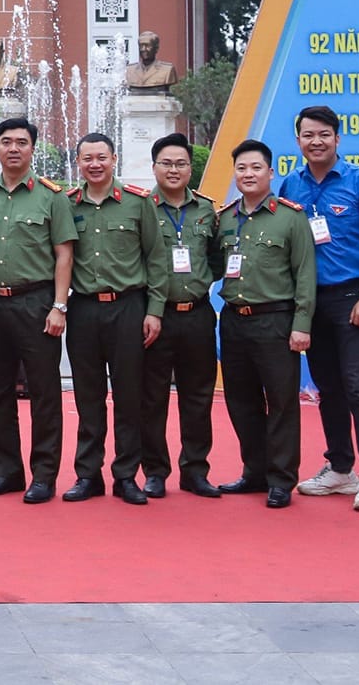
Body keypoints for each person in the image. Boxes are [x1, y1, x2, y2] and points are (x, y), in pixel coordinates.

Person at [277, 105, 359, 512]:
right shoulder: (291, 185)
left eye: (324, 134)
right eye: (308, 135)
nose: (316, 142)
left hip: (351, 298)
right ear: (298, 140)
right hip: (310, 301)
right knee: (327, 388)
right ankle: (341, 467)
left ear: (337, 138)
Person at [0, 117, 75, 504]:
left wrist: (59, 306)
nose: (13, 148)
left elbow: (64, 255)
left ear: (32, 149)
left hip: (37, 302)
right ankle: (7, 471)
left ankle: (43, 474)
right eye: (6, 142)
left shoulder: (51, 196)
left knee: (44, 392)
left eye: (22, 142)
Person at [62, 132, 167, 505]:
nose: (95, 165)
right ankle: (88, 474)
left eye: (101, 158)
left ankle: (126, 476)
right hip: (84, 308)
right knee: (88, 396)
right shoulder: (67, 203)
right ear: (78, 162)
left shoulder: (138, 203)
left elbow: (156, 258)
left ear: (113, 159)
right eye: (87, 158)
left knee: (129, 396)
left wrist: (154, 311)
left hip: (128, 308)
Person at [215, 139, 316, 508]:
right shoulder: (225, 218)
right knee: (241, 401)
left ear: (270, 173)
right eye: (241, 168)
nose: (248, 174)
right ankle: (254, 471)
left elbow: (305, 274)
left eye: (256, 168)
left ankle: (281, 478)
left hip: (275, 320)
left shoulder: (291, 217)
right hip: (234, 321)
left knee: (281, 402)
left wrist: (302, 324)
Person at [138, 133, 223, 499]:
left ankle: (195, 470)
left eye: (181, 164)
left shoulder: (206, 210)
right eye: (166, 163)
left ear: (191, 168)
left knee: (198, 396)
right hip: (155, 316)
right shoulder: (141, 207)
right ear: (154, 167)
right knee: (152, 398)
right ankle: (155, 471)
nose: (173, 170)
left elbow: (217, 260)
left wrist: (197, 283)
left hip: (197, 315)